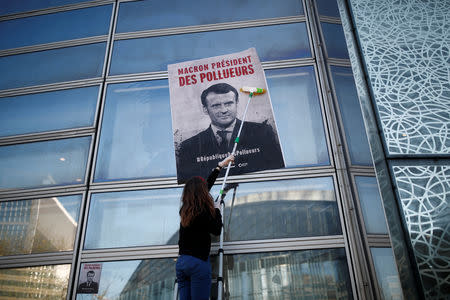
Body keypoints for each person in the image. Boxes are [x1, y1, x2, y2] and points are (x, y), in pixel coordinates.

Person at [176, 83, 284, 183]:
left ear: (236, 104)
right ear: (205, 109)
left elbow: (276, 170)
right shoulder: (189, 147)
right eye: (216, 105)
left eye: (229, 103)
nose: (224, 110)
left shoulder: (262, 132)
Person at [176, 154, 234, 300]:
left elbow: (204, 186)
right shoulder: (203, 212)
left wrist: (220, 166)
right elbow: (216, 229)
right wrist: (217, 210)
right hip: (198, 263)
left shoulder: (185, 210)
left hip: (182, 263)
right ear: (202, 193)